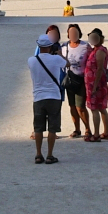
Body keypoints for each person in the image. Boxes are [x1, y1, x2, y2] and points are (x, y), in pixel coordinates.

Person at [29, 35, 67, 164]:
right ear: (50, 46)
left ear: (39, 46)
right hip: (54, 96)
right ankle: (50, 155)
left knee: (38, 128)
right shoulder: (56, 59)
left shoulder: (31, 60)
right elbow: (67, 63)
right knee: (52, 127)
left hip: (38, 97)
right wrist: (59, 53)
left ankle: (38, 154)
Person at [59, 24, 92, 138]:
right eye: (71, 32)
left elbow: (92, 60)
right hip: (69, 79)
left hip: (81, 79)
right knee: (72, 106)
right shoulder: (64, 46)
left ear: (79, 33)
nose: (73, 34)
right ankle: (77, 129)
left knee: (80, 107)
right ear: (68, 34)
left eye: (75, 32)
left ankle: (88, 129)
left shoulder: (85, 46)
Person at [83, 27, 108, 141]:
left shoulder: (99, 51)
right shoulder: (96, 49)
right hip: (94, 84)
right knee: (101, 108)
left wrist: (94, 87)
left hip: (96, 85)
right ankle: (106, 132)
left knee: (95, 109)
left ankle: (96, 135)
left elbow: (99, 69)